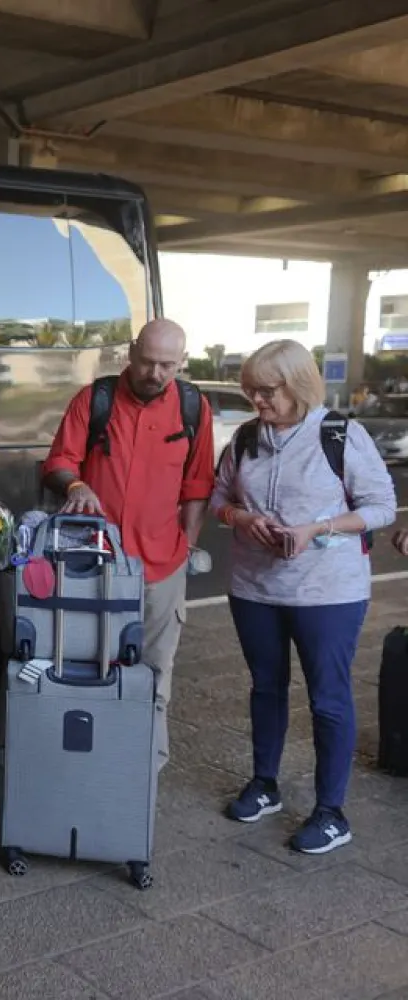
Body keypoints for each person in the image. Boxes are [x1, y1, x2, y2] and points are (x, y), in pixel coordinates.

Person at [210, 339, 395, 854]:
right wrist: (244, 518)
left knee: (328, 699)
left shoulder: (339, 434)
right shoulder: (247, 438)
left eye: (265, 391)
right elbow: (219, 499)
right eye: (250, 392)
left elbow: (381, 506)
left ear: (295, 384)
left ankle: (331, 812)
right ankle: (265, 784)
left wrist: (317, 528)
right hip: (254, 588)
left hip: (328, 591)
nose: (256, 402)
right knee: (265, 688)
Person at [42, 318, 214, 768]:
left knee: (155, 674)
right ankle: (90, 759)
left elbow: (198, 484)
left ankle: (145, 770)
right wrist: (76, 485)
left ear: (181, 363)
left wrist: (189, 547)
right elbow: (59, 460)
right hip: (96, 566)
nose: (155, 374)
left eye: (167, 366)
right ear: (131, 354)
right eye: (148, 362)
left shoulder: (194, 407)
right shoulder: (95, 399)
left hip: (162, 567)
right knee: (91, 664)